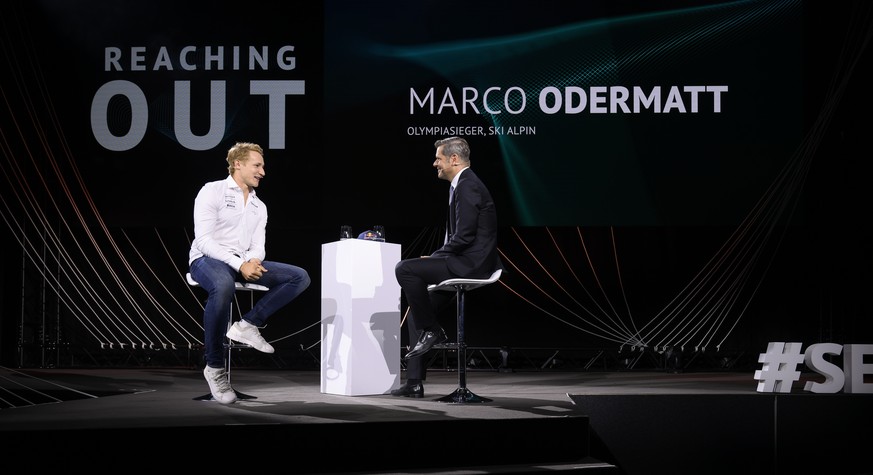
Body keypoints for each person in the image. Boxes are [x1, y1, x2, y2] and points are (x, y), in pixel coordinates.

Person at [188, 141, 311, 404]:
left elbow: (258, 246)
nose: (262, 172)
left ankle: (248, 324)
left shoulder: (259, 206)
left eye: (263, 166)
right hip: (207, 260)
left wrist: (253, 261)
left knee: (299, 276)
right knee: (223, 286)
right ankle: (215, 368)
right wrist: (239, 265)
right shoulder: (213, 191)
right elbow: (204, 241)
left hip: (243, 263)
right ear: (238, 164)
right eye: (257, 165)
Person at [392, 136, 503, 398]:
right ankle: (415, 383)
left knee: (405, 269)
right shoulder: (460, 185)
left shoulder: (467, 185)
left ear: (454, 159)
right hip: (463, 260)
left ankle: (433, 331)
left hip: (472, 264)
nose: (434, 164)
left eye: (438, 158)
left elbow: (463, 237)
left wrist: (433, 258)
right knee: (420, 309)